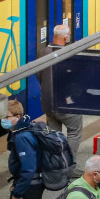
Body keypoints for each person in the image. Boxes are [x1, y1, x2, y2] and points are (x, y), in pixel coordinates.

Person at [37, 24, 83, 177]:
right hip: (66, 103)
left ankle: (55, 166)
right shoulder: (68, 53)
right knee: (74, 132)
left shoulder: (43, 52)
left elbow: (39, 75)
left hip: (48, 103)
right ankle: (69, 166)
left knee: (54, 136)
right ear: (66, 37)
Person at [4, 99, 48, 199]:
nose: (2, 120)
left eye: (6, 117)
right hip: (36, 183)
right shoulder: (26, 130)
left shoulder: (21, 137)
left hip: (29, 186)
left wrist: (18, 192)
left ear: (17, 116)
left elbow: (28, 168)